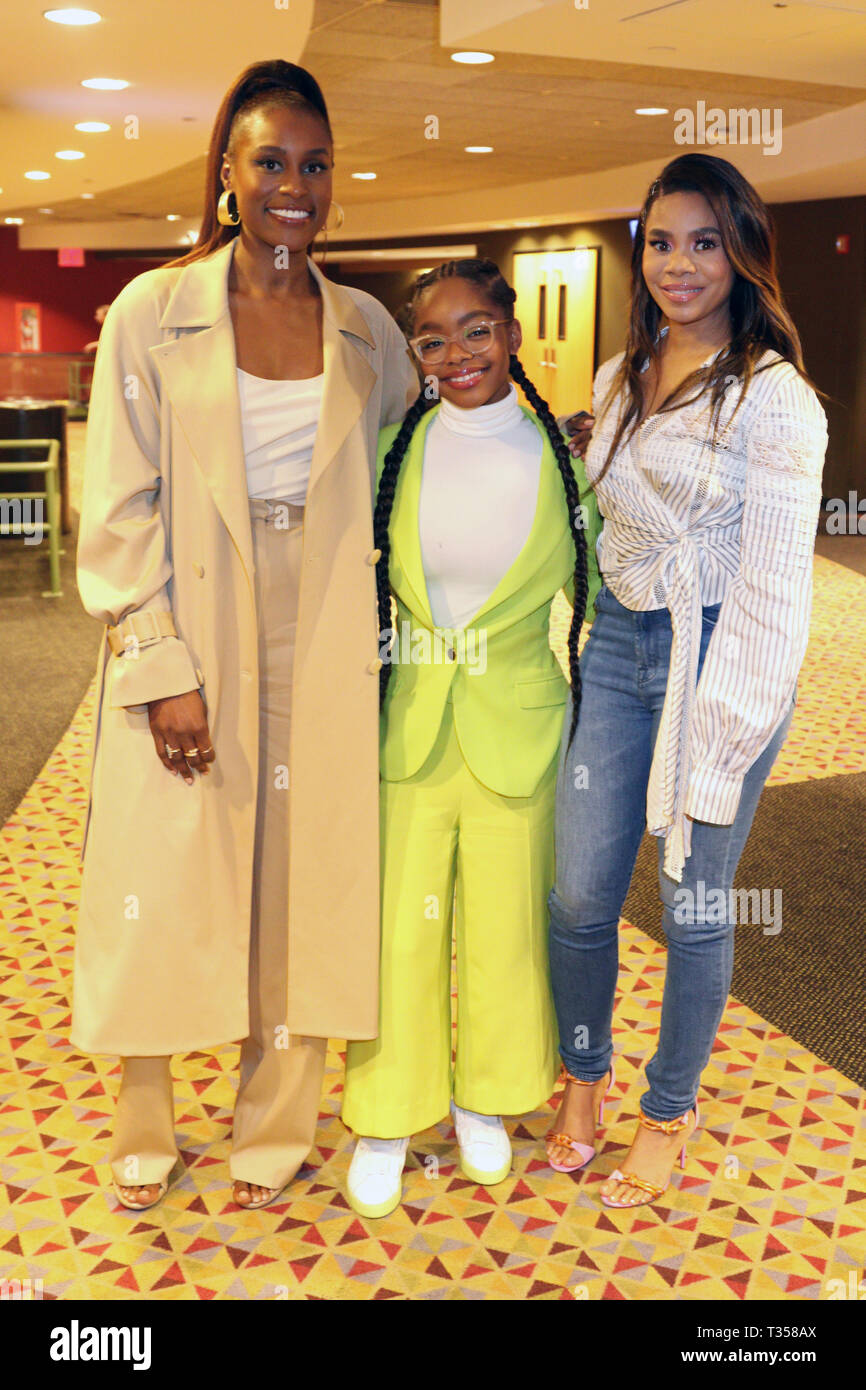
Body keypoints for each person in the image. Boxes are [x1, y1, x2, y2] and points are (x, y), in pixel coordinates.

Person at [72, 60, 417, 1211]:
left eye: (315, 165)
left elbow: (405, 476)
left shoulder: (365, 328)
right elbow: (117, 501)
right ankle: (145, 1117)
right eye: (270, 160)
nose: (294, 185)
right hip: (193, 605)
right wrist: (159, 661)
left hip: (320, 618)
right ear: (226, 171)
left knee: (302, 876)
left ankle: (274, 1120)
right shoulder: (150, 312)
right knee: (167, 869)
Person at [545, 153, 828, 1208]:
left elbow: (771, 593)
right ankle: (583, 1075)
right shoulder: (619, 377)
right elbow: (606, 522)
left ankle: (667, 1108)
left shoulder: (776, 400)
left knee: (690, 899)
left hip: (720, 653)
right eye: (660, 241)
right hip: (619, 643)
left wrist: (719, 737)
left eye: (702, 242)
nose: (678, 264)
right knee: (575, 891)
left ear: (741, 254)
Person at [340, 258, 602, 1218]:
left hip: (521, 733)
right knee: (398, 938)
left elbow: (604, 600)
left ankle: (484, 1097)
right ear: (416, 354)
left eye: (477, 330)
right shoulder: (391, 456)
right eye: (434, 341)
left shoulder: (565, 463)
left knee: (504, 934)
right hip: (406, 730)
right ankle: (384, 1111)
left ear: (514, 333)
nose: (457, 355)